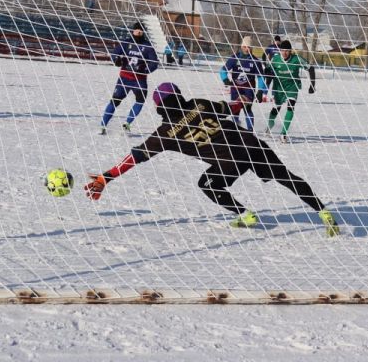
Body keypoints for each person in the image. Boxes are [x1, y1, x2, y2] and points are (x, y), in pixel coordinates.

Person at [83, 82, 339, 237]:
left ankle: (245, 214)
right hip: (251, 145)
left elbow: (134, 158)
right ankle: (324, 212)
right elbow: (231, 108)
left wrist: (106, 178)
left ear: (159, 107)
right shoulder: (200, 104)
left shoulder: (164, 134)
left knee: (207, 184)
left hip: (228, 162)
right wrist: (243, 101)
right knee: (286, 178)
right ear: (180, 96)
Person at [99, 21, 160, 135]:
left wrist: (145, 70)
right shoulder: (126, 43)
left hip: (139, 80)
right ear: (133, 31)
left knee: (140, 101)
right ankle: (103, 125)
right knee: (115, 101)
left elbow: (154, 63)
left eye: (141, 30)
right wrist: (116, 60)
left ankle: (127, 124)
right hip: (124, 78)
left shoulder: (148, 46)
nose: (139, 32)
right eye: (137, 30)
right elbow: (115, 54)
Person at [265, 40, 315, 143]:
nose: (284, 53)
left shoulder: (296, 59)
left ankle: (283, 134)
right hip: (279, 87)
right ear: (280, 50)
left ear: (290, 51)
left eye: (287, 51)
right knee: (276, 109)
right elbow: (268, 71)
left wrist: (312, 85)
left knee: (290, 106)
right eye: (282, 50)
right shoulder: (275, 59)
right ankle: (269, 126)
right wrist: (266, 84)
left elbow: (311, 68)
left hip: (292, 87)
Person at [219, 36, 268, 130]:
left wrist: (260, 91)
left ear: (251, 48)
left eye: (249, 47)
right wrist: (225, 79)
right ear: (241, 47)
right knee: (235, 109)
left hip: (248, 88)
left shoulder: (255, 61)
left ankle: (250, 131)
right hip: (236, 87)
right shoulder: (234, 58)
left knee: (247, 108)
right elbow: (223, 70)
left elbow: (261, 77)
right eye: (245, 47)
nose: (246, 49)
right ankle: (236, 127)